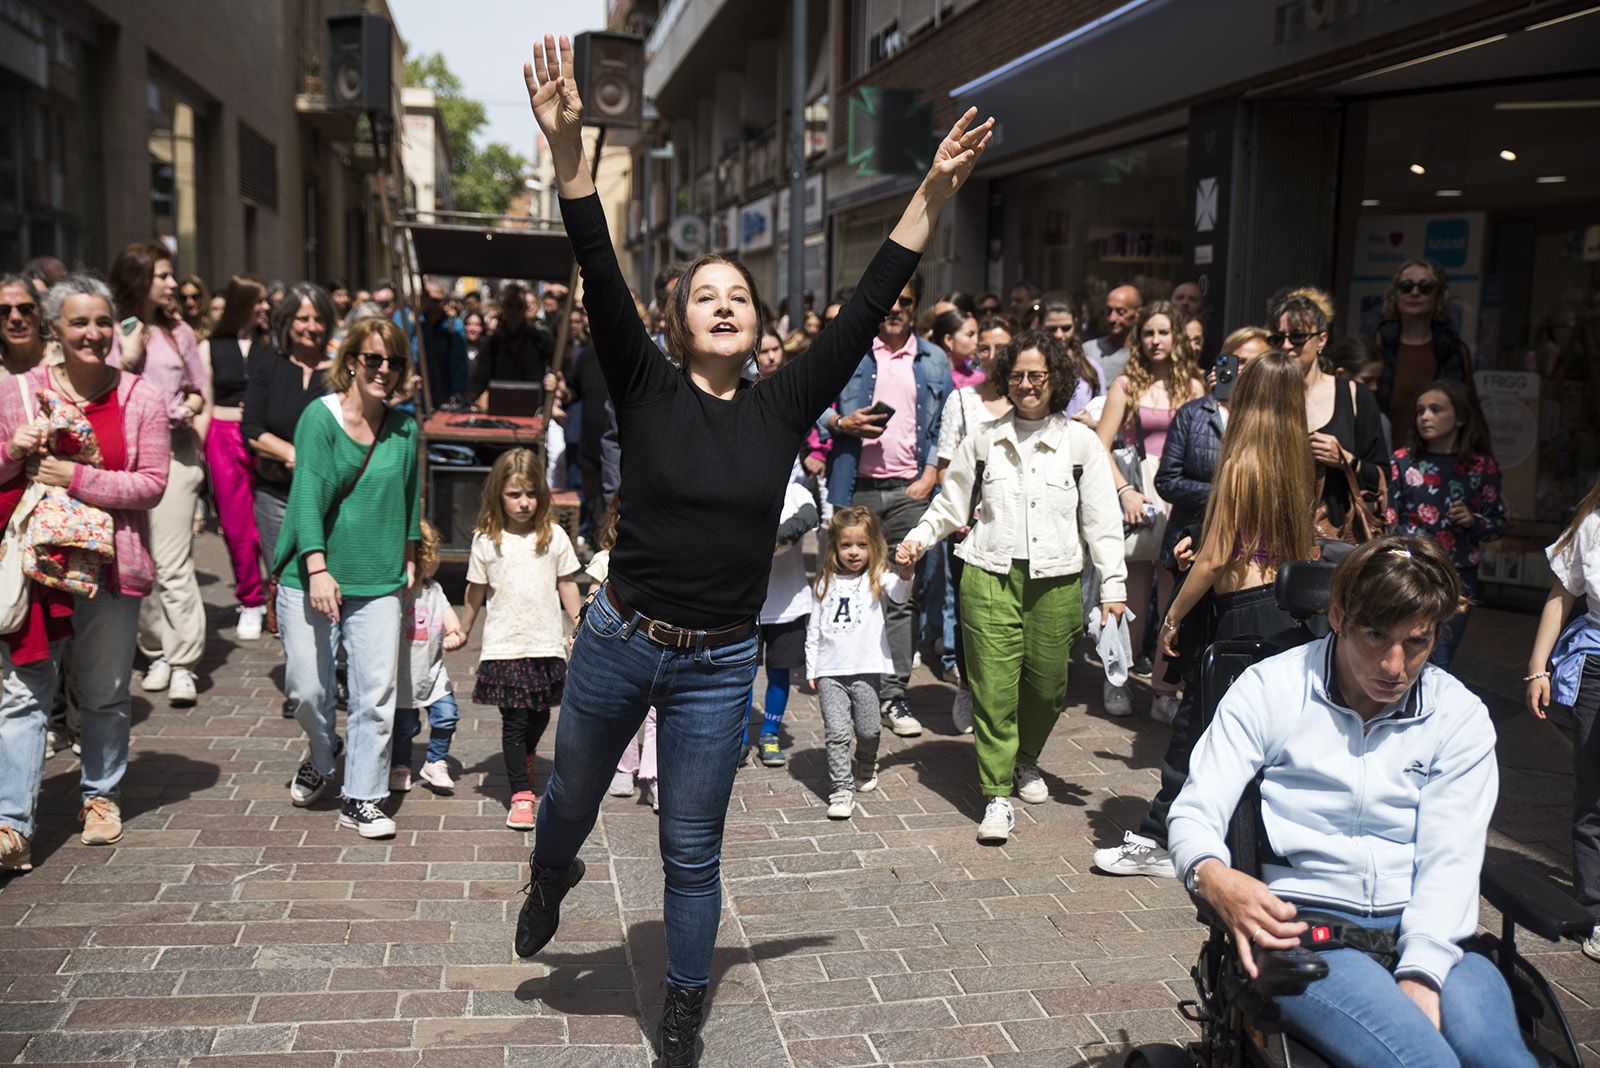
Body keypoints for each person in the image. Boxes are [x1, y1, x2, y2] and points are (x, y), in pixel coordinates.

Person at [514, 33, 992, 1065]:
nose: (723, 303)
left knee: (691, 849)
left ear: (758, 319)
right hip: (617, 639)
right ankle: (551, 874)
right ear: (678, 322)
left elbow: (870, 299)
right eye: (704, 295)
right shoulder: (641, 384)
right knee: (569, 798)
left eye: (738, 295)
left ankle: (684, 1003)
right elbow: (598, 263)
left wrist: (933, 191)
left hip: (719, 661)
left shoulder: (784, 404)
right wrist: (567, 153)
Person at [1169, 535, 1535, 1068]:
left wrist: (1422, 970)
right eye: (1375, 636)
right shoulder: (1271, 688)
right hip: (1311, 933)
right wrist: (1210, 874)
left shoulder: (1458, 716)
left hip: (1426, 925)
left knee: (1503, 1060)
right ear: (1338, 615)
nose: (1394, 664)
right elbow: (1195, 809)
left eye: (1417, 643)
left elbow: (1450, 859)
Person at [898, 331, 1127, 844]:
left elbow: (1103, 521)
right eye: (1018, 375)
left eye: (1037, 376)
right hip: (988, 574)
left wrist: (1113, 585)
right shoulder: (984, 438)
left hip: (1057, 580)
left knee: (1048, 687)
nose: (1026, 384)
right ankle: (997, 792)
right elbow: (951, 502)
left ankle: (1026, 759)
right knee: (994, 686)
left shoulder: (1080, 443)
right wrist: (918, 539)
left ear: (1056, 381)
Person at [1095, 344, 1302, 878]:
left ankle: (1161, 840)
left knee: (1194, 729)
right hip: (1280, 609)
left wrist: (1172, 616)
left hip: (1236, 613)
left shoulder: (1242, 460)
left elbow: (1215, 558)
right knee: (1259, 734)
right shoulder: (1296, 458)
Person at [0, 275, 171, 866]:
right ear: (56, 330)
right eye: (79, 322)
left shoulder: (141, 396)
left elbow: (151, 485)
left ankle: (100, 795)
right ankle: (12, 825)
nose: (93, 334)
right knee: (24, 695)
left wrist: (75, 478)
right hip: (37, 566)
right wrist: (12, 451)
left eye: (102, 321)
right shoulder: (20, 392)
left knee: (102, 693)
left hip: (112, 566)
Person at [275, 315, 419, 840]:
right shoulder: (319, 418)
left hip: (379, 577)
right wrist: (316, 566)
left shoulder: (405, 427)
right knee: (309, 691)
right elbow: (307, 497)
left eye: (394, 362)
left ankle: (361, 797)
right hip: (311, 573)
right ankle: (321, 751)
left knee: (375, 695)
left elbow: (410, 496)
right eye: (374, 359)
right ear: (353, 361)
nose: (384, 370)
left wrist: (408, 556)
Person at [820, 265, 953, 740]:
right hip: (854, 489)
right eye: (889, 304)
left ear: (917, 308)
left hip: (908, 492)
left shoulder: (935, 360)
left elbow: (946, 425)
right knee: (848, 589)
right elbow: (810, 399)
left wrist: (933, 473)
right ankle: (847, 681)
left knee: (901, 595)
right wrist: (840, 424)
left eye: (906, 304)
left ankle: (894, 694)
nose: (895, 312)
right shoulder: (849, 349)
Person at [457, 448, 583, 831]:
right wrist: (464, 627)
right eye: (514, 494)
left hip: (545, 642)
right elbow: (475, 590)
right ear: (499, 495)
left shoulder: (553, 536)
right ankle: (520, 794)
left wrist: (579, 626)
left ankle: (527, 753)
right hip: (504, 645)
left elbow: (566, 583)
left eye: (530, 493)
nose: (523, 502)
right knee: (513, 720)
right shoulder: (486, 539)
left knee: (540, 713)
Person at [108, 242, 210, 708]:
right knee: (137, 560)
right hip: (124, 460)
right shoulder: (113, 329)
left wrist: (185, 410)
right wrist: (129, 349)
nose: (173, 285)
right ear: (139, 279)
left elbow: (198, 390)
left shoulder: (180, 333)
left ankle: (184, 660)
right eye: (163, 276)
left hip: (175, 456)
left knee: (171, 563)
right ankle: (156, 651)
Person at [1097, 301, 1206, 720]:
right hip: (1138, 501)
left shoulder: (1194, 386)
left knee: (1175, 600)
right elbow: (1098, 446)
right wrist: (1124, 491)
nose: (1156, 340)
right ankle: (1117, 679)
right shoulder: (1126, 385)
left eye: (1163, 332)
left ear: (1177, 336)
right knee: (1130, 600)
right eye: (1148, 333)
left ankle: (1164, 687)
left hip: (1182, 502)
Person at [1526, 473, 1600, 961]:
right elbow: (1561, 596)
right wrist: (1537, 669)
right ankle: (1595, 911)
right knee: (1594, 793)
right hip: (1598, 665)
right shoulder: (1592, 524)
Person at [1385, 380, 1504, 668]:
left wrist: (1472, 520)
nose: (1424, 417)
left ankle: (1433, 710)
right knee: (1409, 649)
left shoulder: (1481, 466)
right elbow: (1390, 520)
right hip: (1412, 569)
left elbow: (1497, 524)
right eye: (1420, 411)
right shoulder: (1403, 461)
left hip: (1459, 573)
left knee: (1441, 655)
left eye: (1436, 410)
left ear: (1460, 418)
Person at [243, 283, 335, 648]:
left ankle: (334, 666)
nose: (311, 326)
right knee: (286, 579)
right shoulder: (269, 368)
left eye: (318, 319)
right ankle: (298, 666)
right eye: (302, 318)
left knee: (327, 576)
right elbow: (252, 429)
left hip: (329, 498)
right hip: (276, 495)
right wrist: (293, 454)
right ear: (287, 322)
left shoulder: (342, 372)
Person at [934, 315, 1015, 733]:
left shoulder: (1029, 401)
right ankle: (967, 685)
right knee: (970, 613)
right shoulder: (962, 400)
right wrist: (967, 511)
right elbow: (946, 468)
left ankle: (1003, 696)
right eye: (986, 347)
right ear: (976, 351)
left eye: (1003, 347)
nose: (995, 355)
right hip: (970, 528)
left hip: (1019, 526)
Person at [806, 507, 912, 819]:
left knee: (868, 729)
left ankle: (867, 761)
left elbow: (902, 596)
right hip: (831, 672)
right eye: (846, 545)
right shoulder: (824, 582)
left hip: (867, 669)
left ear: (873, 546)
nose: (854, 552)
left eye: (862, 545)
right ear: (834, 547)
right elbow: (813, 628)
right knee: (837, 732)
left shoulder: (877, 577)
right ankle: (841, 789)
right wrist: (812, 667)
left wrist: (906, 572)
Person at [751, 326, 820, 769]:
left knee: (779, 673)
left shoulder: (794, 484)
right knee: (738, 676)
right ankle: (738, 735)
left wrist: (779, 536)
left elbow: (809, 514)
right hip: (744, 604)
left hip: (788, 602)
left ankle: (771, 732)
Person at [1154, 326, 1272, 574]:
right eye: (1236, 361)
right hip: (1191, 543)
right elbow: (1167, 481)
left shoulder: (1273, 420)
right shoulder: (1193, 413)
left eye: (1254, 363)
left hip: (1251, 548)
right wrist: (1222, 493)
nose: (1243, 369)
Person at [1273, 294, 1388, 544]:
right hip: (1276, 532)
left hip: (1337, 537)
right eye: (1278, 338)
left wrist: (1346, 460)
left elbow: (1382, 477)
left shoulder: (1355, 396)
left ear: (1321, 339)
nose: (1286, 346)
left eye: (1297, 337)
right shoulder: (1269, 397)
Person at [199, 275, 272, 641]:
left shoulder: (271, 345)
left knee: (272, 519)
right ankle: (251, 600)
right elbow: (207, 397)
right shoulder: (211, 346)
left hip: (265, 438)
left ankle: (277, 597)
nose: (265, 307)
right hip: (223, 437)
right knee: (236, 523)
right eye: (259, 301)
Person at [390, 519, 464, 795]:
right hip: (403, 676)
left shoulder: (434, 590)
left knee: (447, 716)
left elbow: (450, 619)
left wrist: (455, 633)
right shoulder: (400, 592)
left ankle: (435, 760)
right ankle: (400, 765)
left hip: (433, 673)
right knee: (404, 727)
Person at [1373, 260, 1476, 439]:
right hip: (1382, 459)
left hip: (1437, 460)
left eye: (1425, 287)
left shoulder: (1454, 350)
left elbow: (1470, 410)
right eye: (1406, 286)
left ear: (1438, 296)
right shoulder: (1377, 345)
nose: (1415, 292)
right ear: (1394, 295)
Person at [469, 281, 556, 410]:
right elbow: (480, 378)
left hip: (534, 407)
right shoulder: (493, 341)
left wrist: (554, 380)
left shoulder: (541, 338)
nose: (514, 310)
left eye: (519, 306)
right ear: (503, 308)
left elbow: (557, 367)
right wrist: (474, 398)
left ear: (525, 308)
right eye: (509, 305)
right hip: (500, 406)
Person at [1328, 335, 1391, 451]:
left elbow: (1381, 468)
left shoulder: (1378, 422)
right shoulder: (1317, 413)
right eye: (1367, 380)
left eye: (1377, 380)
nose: (1374, 387)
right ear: (1340, 375)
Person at [1038, 296, 1098, 408]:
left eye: (1066, 328)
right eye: (1052, 329)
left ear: (1075, 325)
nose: (1059, 335)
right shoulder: (1029, 364)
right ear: (1040, 325)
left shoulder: (1091, 368)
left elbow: (1101, 409)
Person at [420, 278, 469, 407]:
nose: (431, 305)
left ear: (446, 304)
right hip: (414, 402)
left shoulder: (453, 327)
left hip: (442, 400)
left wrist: (457, 396)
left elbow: (459, 367)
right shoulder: (414, 322)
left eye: (436, 301)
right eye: (428, 300)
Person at [1083, 284, 1142, 386]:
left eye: (1121, 312)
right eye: (1109, 311)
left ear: (1137, 314)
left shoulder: (1143, 353)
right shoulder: (1088, 350)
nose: (1112, 318)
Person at [0, 273, 51, 377]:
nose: (15, 318)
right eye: (3, 310)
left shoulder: (67, 358)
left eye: (25, 309)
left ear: (41, 311)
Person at [932, 309, 981, 389]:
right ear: (949, 340)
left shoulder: (979, 377)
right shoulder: (931, 377)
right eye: (970, 334)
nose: (977, 341)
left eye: (977, 334)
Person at [176, 275, 211, 340]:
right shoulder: (176, 328)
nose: (189, 302)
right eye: (184, 298)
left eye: (195, 297)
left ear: (203, 297)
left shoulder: (212, 327)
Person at [462, 310, 487, 382]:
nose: (472, 329)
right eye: (469, 324)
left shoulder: (487, 350)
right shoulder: (458, 348)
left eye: (477, 325)